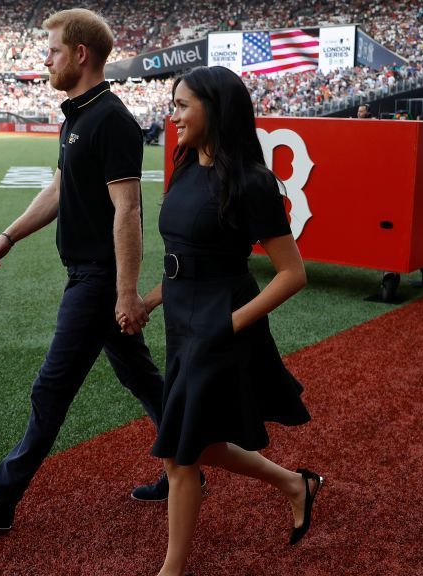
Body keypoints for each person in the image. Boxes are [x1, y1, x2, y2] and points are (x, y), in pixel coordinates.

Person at [0, 8, 170, 533]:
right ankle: (185, 470)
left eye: (54, 50)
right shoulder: (79, 115)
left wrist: (126, 292)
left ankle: (0, 502)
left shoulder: (110, 119)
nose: (46, 60)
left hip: (98, 279)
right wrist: (9, 235)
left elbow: (127, 208)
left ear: (80, 55)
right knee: (141, 377)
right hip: (89, 275)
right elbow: (61, 189)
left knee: (50, 390)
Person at [141, 66, 321, 576]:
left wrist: (230, 324)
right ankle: (294, 484)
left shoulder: (252, 182)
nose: (172, 115)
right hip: (181, 320)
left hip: (220, 325)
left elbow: (292, 274)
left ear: (215, 110)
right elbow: (186, 258)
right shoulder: (184, 165)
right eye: (173, 104)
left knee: (180, 455)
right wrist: (149, 302)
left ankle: (171, 571)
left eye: (182, 105)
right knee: (199, 441)